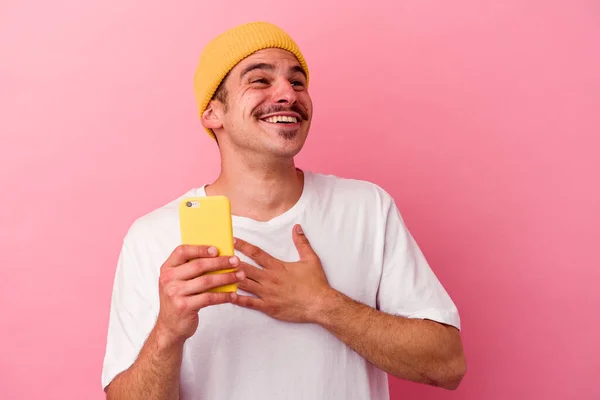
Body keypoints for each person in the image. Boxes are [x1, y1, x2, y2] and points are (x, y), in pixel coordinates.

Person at [101, 21, 466, 400]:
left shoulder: (367, 208)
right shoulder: (153, 237)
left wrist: (321, 304)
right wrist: (167, 332)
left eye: (297, 82)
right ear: (213, 113)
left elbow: (448, 365)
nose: (288, 95)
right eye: (260, 80)